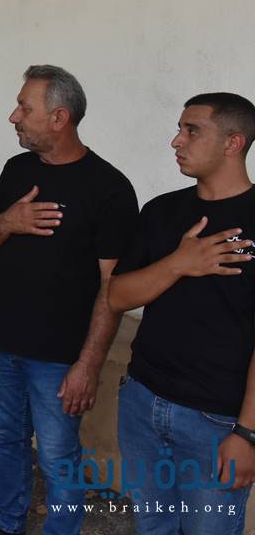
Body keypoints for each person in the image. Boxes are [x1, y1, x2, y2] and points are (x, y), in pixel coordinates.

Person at [0, 65, 138, 535]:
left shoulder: (109, 189)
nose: (13, 116)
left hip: (60, 360)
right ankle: (7, 523)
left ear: (59, 118)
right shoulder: (17, 170)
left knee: (58, 457)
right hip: (2, 345)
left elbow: (113, 289)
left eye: (24, 107)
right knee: (8, 441)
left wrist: (88, 365)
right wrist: (7, 222)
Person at [109, 93, 255, 534]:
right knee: (153, 524)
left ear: (233, 143)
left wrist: (248, 434)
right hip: (142, 401)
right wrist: (178, 263)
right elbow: (117, 296)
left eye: (192, 130)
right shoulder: (162, 210)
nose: (177, 140)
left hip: (217, 421)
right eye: (179, 129)